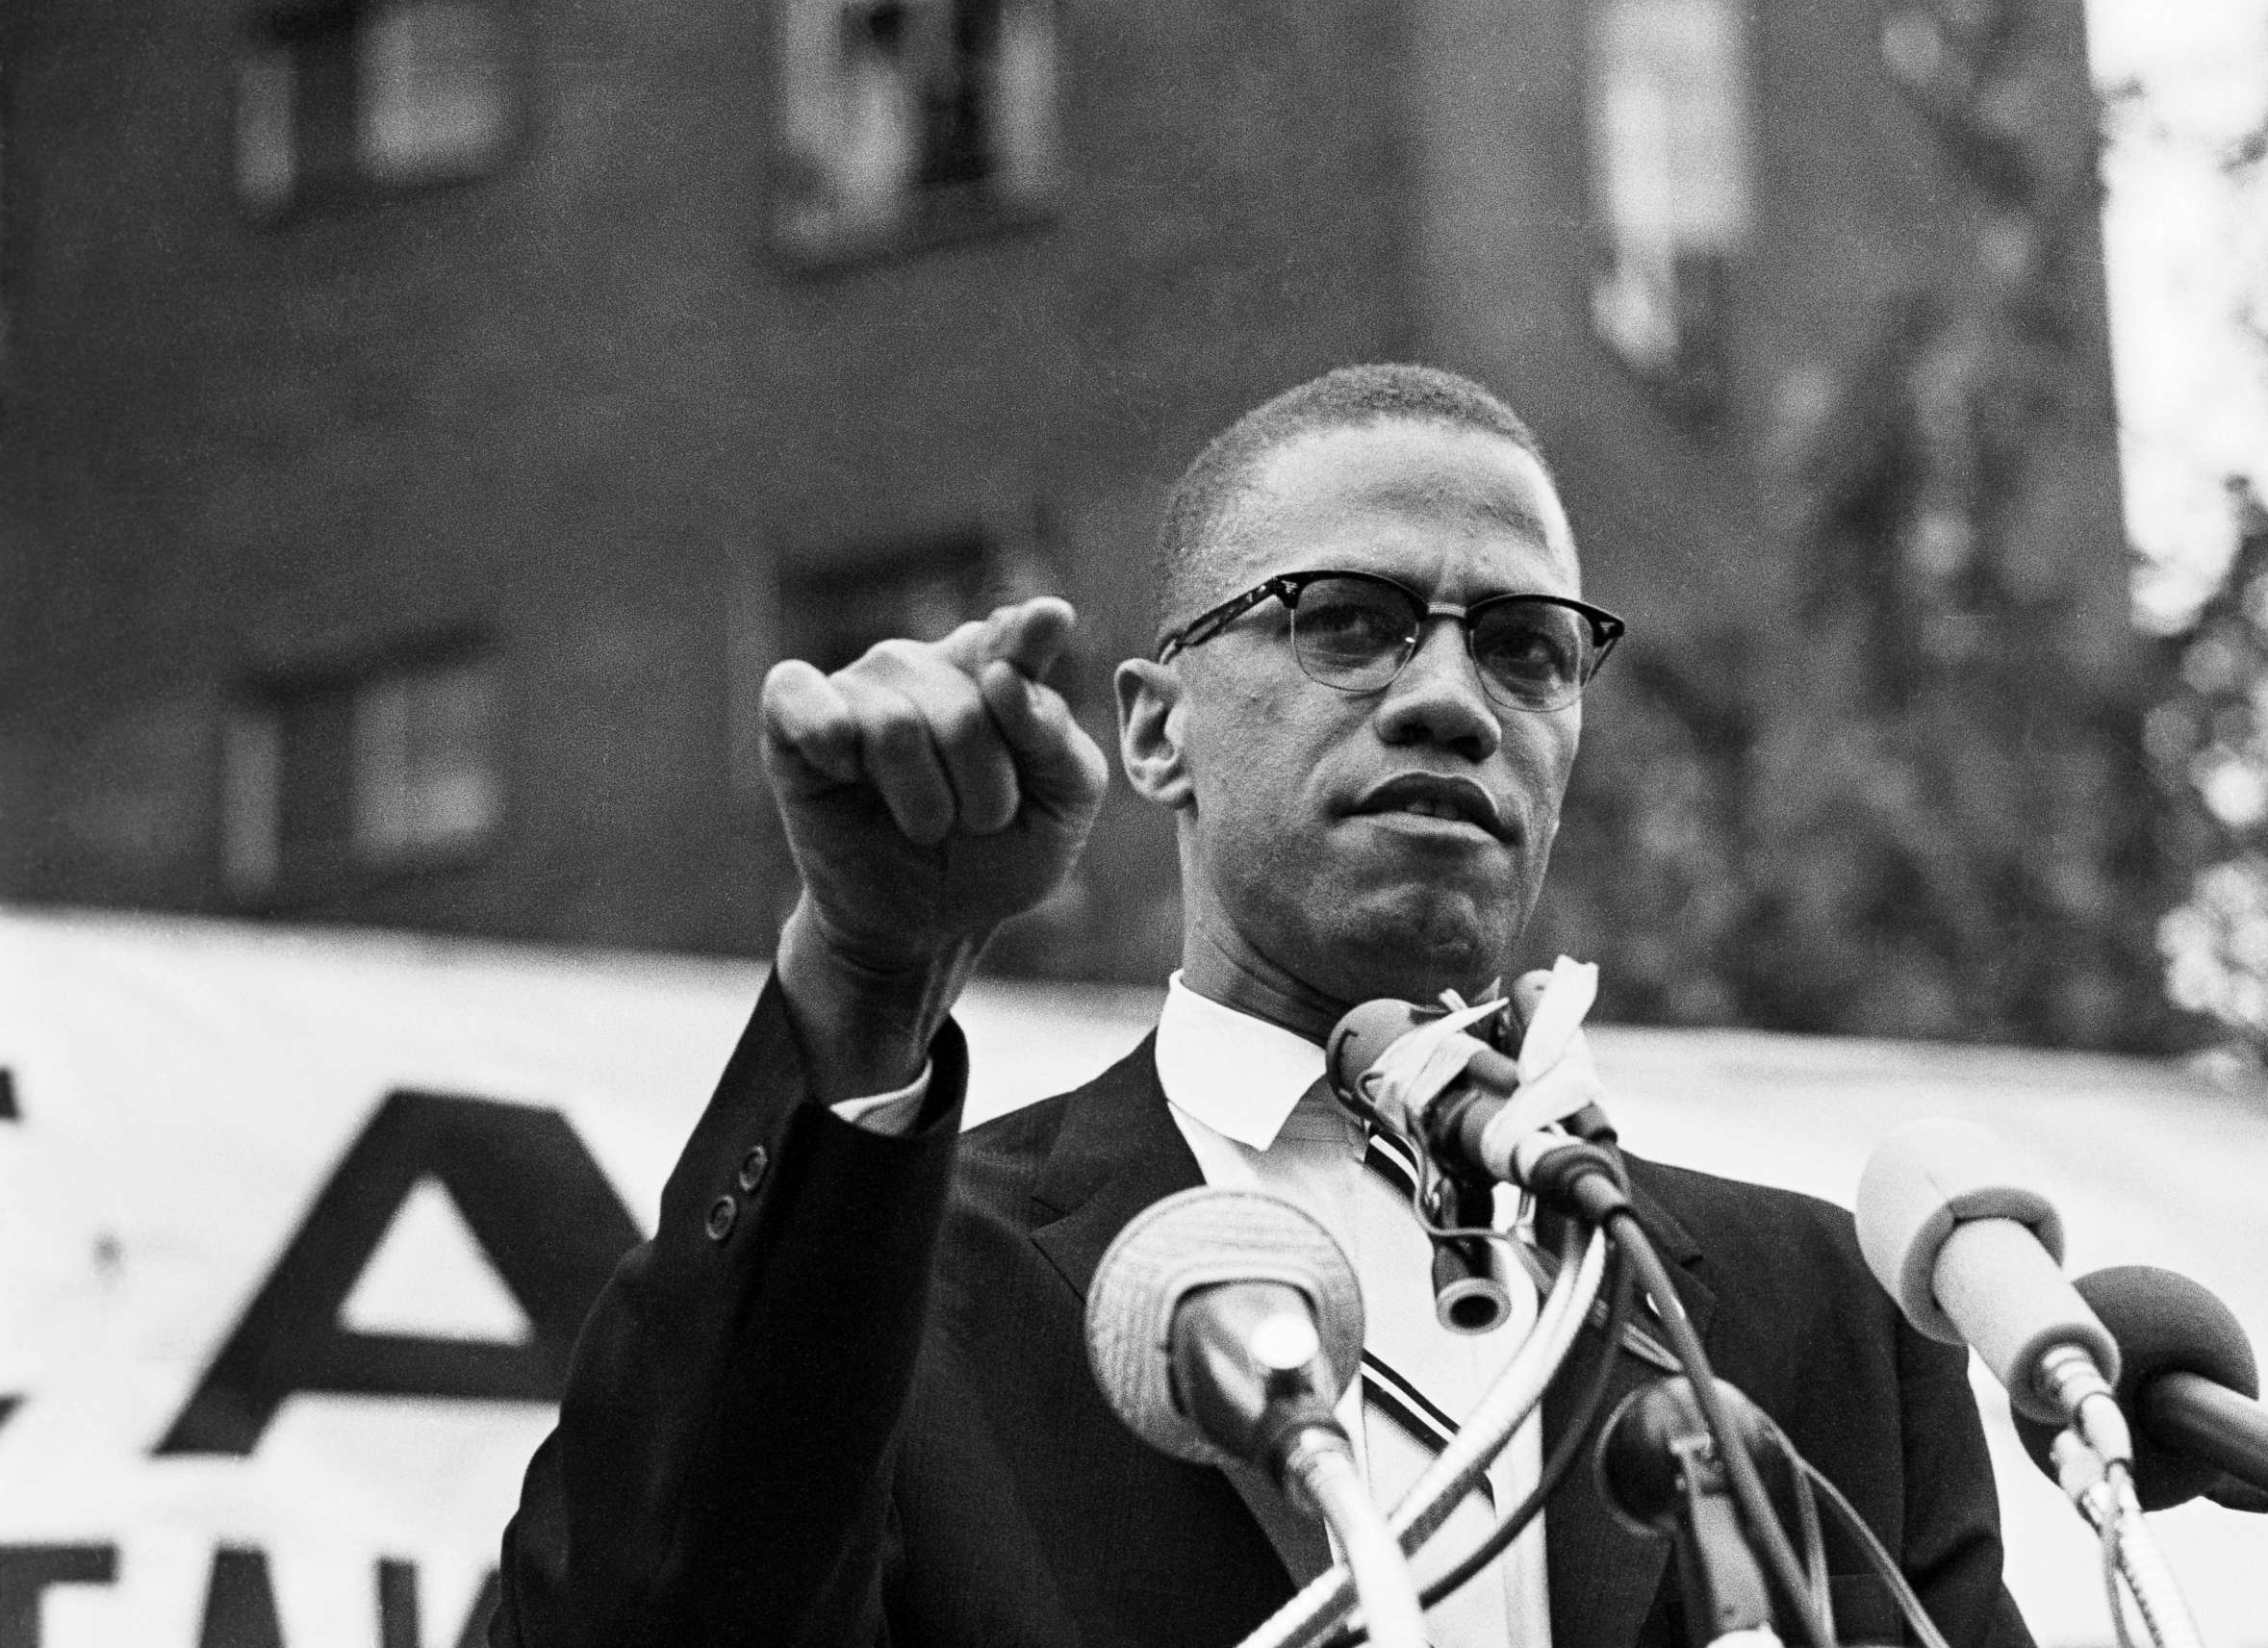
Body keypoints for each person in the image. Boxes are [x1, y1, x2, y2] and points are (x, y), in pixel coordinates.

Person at [490, 366, 2033, 1648]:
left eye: (1525, 648)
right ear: (1157, 733)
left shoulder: (1817, 1315)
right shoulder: (913, 1281)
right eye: (1346, 623)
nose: (1448, 698)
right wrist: (865, 974)